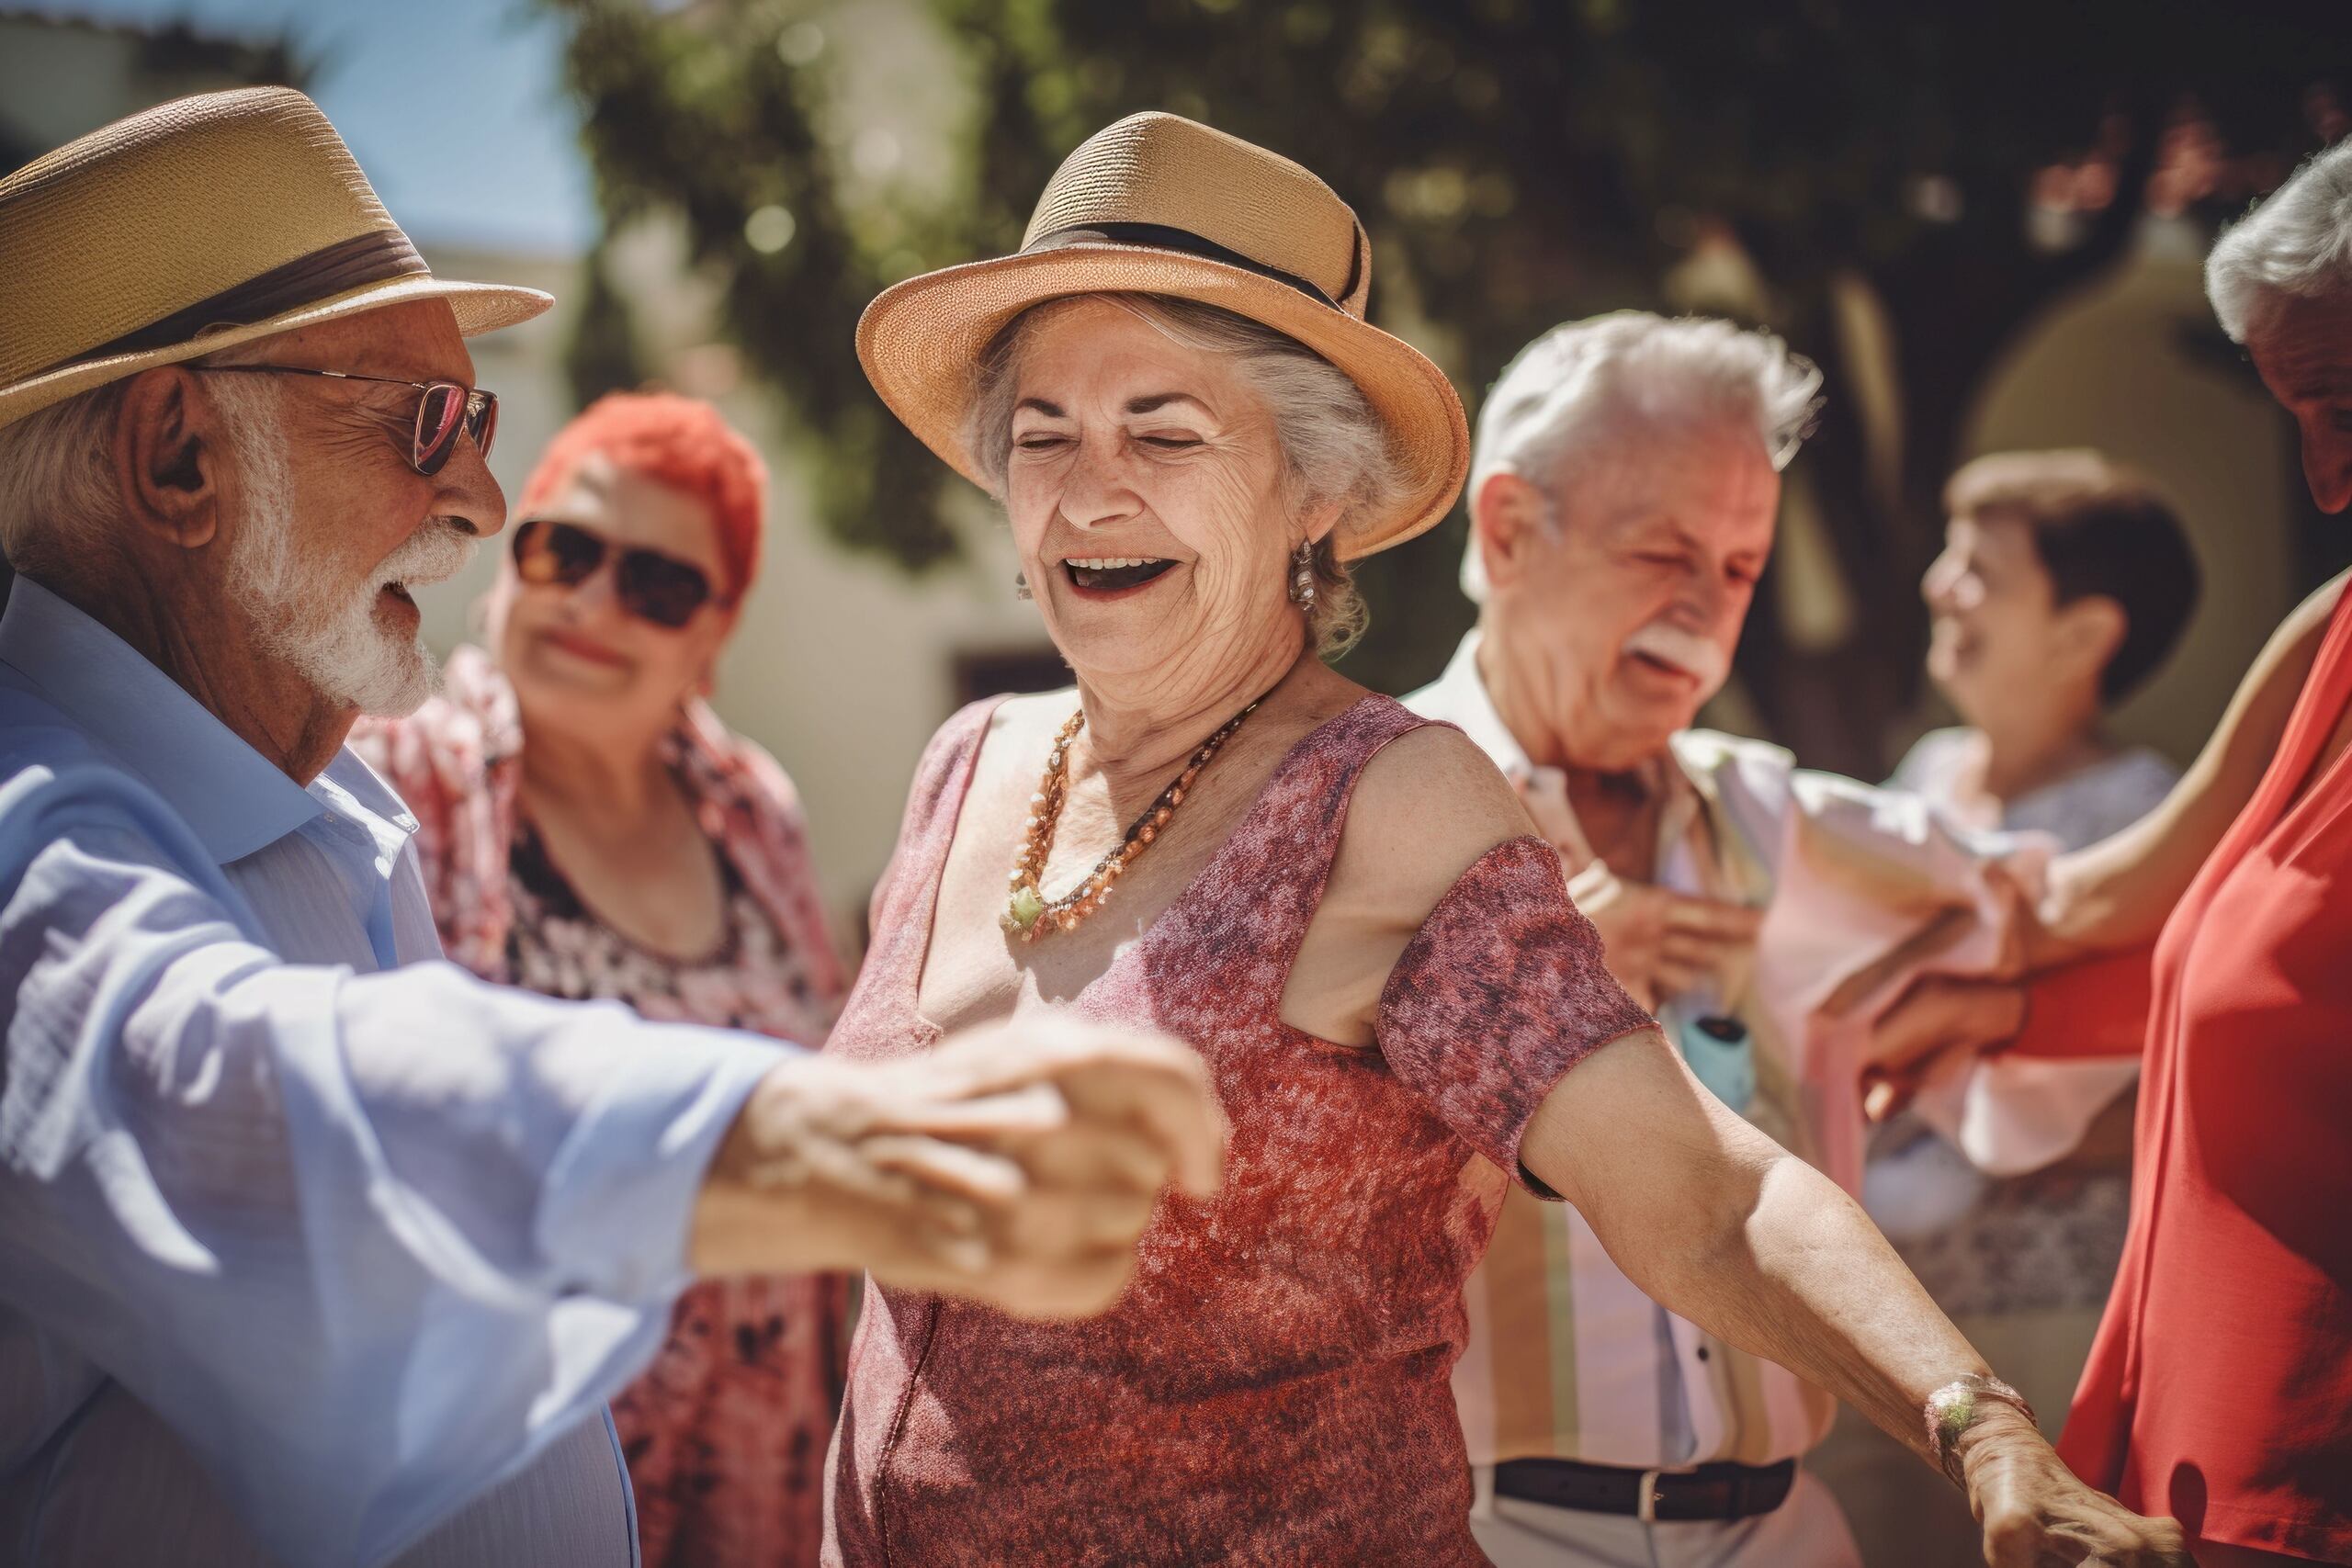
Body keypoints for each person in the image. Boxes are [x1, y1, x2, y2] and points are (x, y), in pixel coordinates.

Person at [821, 109, 2186, 1566]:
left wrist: (1975, 1421)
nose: (1090, 492)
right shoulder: (965, 762)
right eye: (1044, 436)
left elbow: (1707, 1195)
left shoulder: (1388, 802)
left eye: (1164, 430)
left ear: (1318, 487)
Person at [0, 89, 1224, 1568]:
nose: (481, 497)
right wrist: (830, 1140)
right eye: (422, 420)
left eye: (481, 420)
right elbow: (234, 1090)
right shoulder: (29, 825)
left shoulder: (339, 799)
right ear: (179, 457)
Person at [1403, 312, 2147, 1564]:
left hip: (1789, 1527)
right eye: (1663, 552)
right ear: (1509, 528)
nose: (1705, 612)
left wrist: (2312, 683)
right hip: (1489, 1535)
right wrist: (1519, 993)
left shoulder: (1771, 815)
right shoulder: (1373, 811)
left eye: (1742, 567)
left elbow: (2072, 906)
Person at [1862, 137, 2352, 1565]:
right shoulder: (2328, 639)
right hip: (2184, 1462)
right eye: (2299, 422)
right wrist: (2004, 1000)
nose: (2326, 486)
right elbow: (2121, 905)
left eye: (2344, 408)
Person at [351, 392, 852, 1567]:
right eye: (564, 549)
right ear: (512, 559)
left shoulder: (754, 810)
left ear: (713, 635)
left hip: (757, 1482)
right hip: (508, 1486)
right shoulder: (391, 774)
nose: (590, 602)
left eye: (659, 586)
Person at [1828, 451, 2199, 1567]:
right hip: (1899, 1310)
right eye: (1949, 556)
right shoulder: (1925, 777)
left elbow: (2169, 1074)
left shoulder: (2141, 817)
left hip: (2054, 1315)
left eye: (1981, 571)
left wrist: (2064, 1133)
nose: (1941, 585)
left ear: (2084, 636)